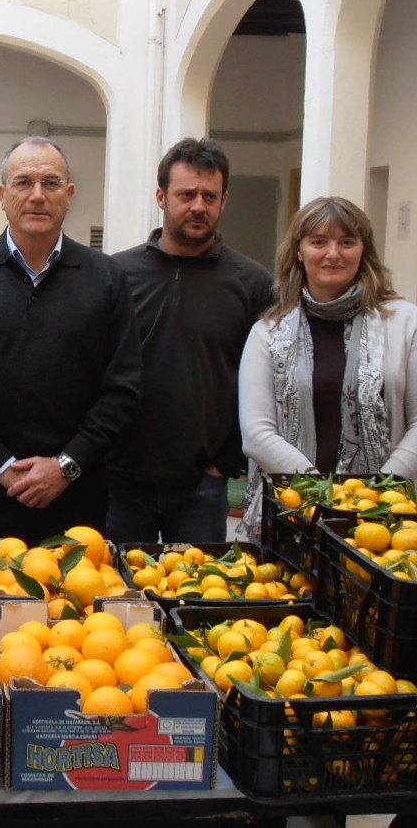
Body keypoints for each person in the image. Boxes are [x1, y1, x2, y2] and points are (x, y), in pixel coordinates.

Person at [0, 136, 143, 546]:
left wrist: (67, 465)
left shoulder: (106, 279)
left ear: (70, 195)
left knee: (75, 606)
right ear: (2, 195)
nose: (37, 195)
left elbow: (123, 389)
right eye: (24, 182)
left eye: (51, 183)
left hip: (78, 496)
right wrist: (3, 466)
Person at [108, 138, 274, 545]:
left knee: (198, 598)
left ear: (224, 200)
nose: (199, 205)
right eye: (186, 194)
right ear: (162, 197)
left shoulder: (252, 283)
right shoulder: (115, 274)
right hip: (121, 479)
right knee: (118, 597)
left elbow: (263, 381)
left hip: (204, 483)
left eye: (210, 195)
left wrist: (227, 462)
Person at [239, 196, 417, 493]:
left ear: (364, 251)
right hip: (292, 504)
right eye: (318, 242)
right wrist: (323, 493)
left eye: (347, 242)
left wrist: (377, 492)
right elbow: (257, 434)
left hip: (381, 510)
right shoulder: (268, 332)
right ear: (299, 251)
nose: (332, 254)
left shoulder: (406, 322)